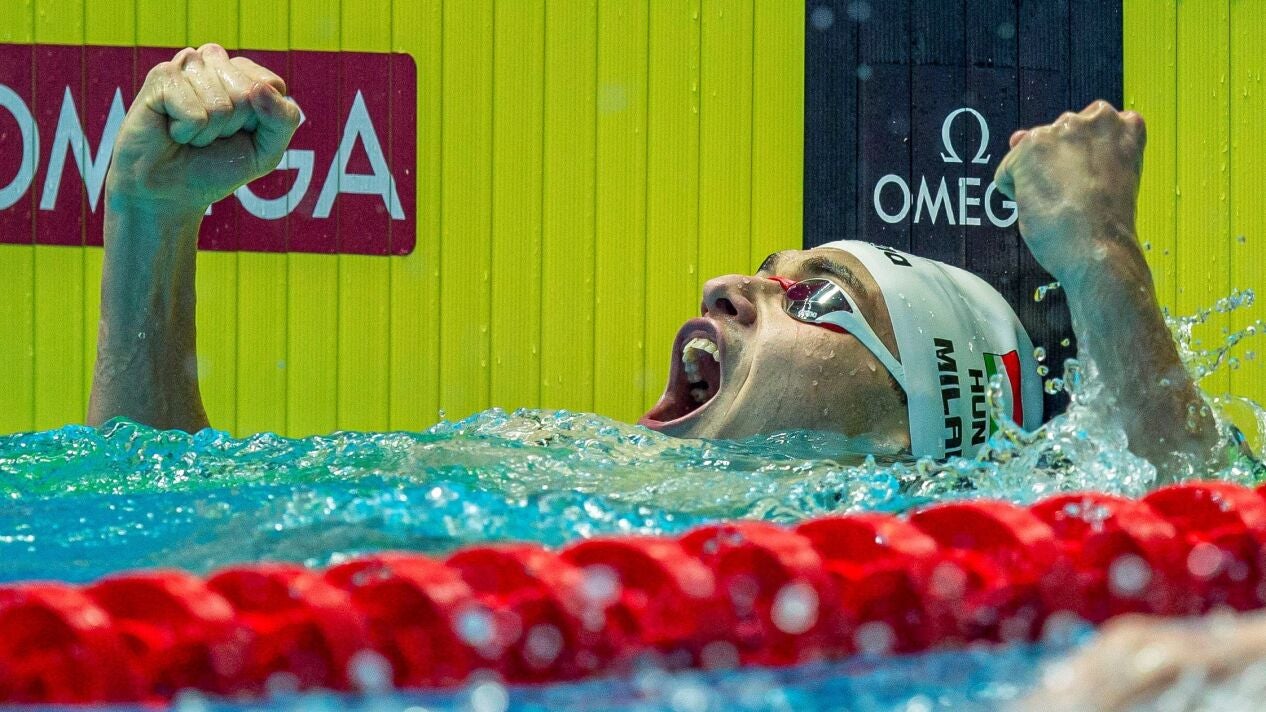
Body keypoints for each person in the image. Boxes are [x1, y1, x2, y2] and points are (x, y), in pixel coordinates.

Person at [88, 43, 1229, 480]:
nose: (729, 287)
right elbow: (168, 522)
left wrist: (1101, 260)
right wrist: (149, 222)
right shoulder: (529, 475)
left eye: (816, 296)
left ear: (908, 432)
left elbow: (1209, 551)